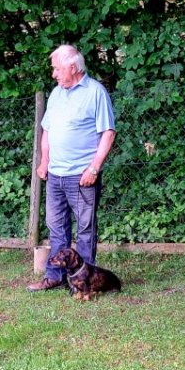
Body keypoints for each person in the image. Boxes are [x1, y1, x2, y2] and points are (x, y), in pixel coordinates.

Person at [28, 44, 116, 291]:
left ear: (73, 67)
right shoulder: (56, 93)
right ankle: (55, 277)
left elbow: (108, 133)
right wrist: (45, 161)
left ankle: (83, 283)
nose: (54, 74)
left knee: (85, 230)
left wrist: (94, 169)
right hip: (55, 175)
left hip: (82, 177)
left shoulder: (95, 92)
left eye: (57, 69)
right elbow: (47, 131)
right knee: (57, 229)